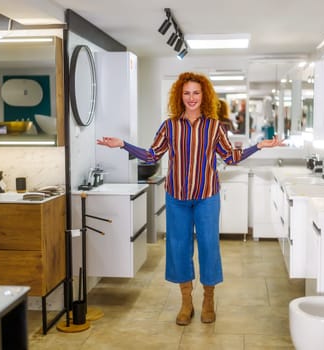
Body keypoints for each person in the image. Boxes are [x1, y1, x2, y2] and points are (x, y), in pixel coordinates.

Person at [96, 72, 284, 326]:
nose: (191, 98)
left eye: (196, 92)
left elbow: (230, 157)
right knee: (179, 248)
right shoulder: (169, 126)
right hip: (177, 197)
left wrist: (258, 147)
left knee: (209, 247)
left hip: (207, 196)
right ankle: (186, 302)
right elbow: (152, 155)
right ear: (179, 96)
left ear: (203, 95)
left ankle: (208, 299)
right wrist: (123, 145)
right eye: (186, 93)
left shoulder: (215, 126)